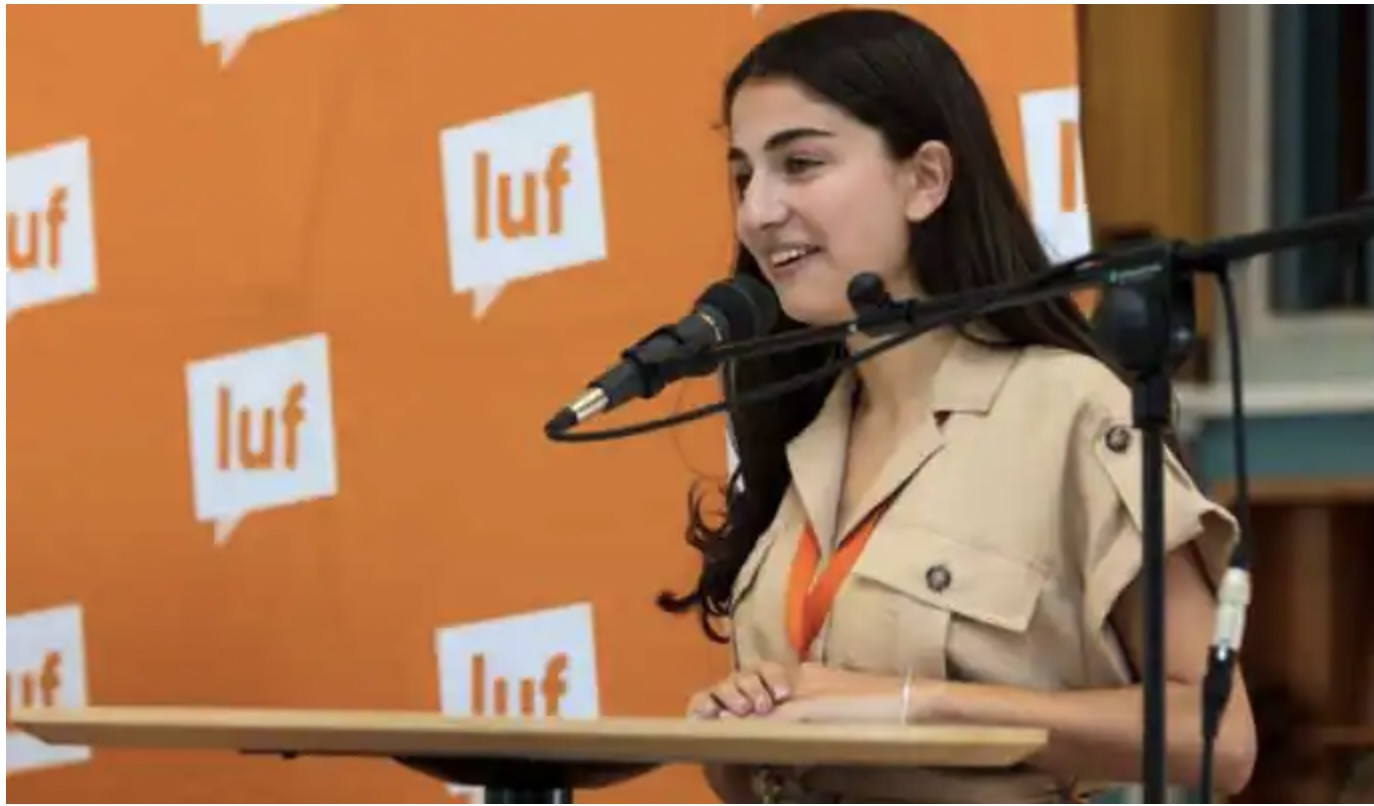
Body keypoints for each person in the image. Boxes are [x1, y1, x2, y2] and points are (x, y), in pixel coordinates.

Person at [655, 8, 1258, 803]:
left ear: (926, 180)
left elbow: (1219, 737)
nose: (757, 212)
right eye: (743, 176)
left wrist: (920, 705)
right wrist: (735, 731)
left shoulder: (1067, 407)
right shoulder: (802, 425)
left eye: (799, 164)